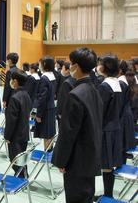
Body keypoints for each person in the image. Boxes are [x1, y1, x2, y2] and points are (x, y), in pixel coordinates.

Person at [52, 47, 103, 203]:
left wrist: (61, 160)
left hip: (77, 159)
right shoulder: (94, 90)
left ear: (77, 66)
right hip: (91, 156)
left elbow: (68, 133)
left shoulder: (75, 95)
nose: (69, 67)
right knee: (86, 196)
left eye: (72, 63)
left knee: (76, 197)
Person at [95, 54, 126, 199]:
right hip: (115, 127)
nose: (98, 66)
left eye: (100, 63)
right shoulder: (118, 84)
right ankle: (108, 194)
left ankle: (108, 196)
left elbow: (99, 111)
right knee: (109, 165)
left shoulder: (105, 86)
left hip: (105, 129)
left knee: (106, 166)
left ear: (105, 67)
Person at [4, 70, 32, 178]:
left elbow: (11, 121)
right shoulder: (26, 95)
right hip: (24, 131)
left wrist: (7, 136)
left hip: (15, 134)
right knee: (22, 157)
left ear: (15, 81)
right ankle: (23, 174)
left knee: (15, 158)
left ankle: (21, 177)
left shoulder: (15, 98)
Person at [34, 56, 57, 150]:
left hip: (45, 110)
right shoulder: (53, 76)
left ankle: (46, 157)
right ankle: (50, 153)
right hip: (51, 107)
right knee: (50, 132)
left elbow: (42, 97)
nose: (39, 65)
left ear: (44, 64)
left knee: (46, 134)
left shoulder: (44, 78)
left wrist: (38, 114)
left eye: (40, 63)